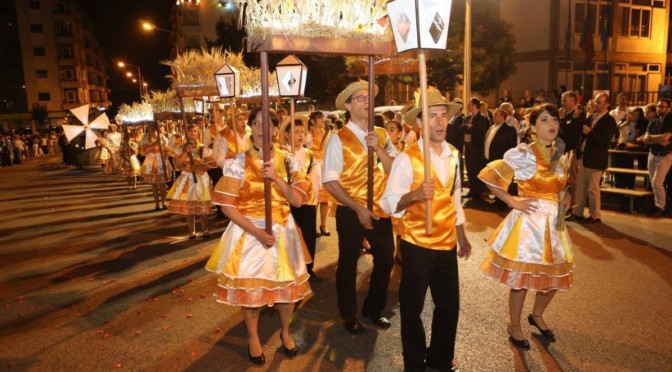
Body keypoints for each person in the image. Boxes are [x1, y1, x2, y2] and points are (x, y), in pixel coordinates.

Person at [206, 107, 312, 366]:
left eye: (269, 123)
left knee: (287, 292)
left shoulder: (289, 161)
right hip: (250, 232)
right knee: (251, 293)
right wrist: (257, 232)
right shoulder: (237, 162)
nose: (263, 128)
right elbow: (227, 206)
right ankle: (253, 337)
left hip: (284, 230)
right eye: (257, 122)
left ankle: (286, 332)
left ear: (277, 128)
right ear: (251, 126)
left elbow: (297, 201)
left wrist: (276, 178)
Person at [381, 90, 471, 372]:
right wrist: (414, 195)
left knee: (448, 308)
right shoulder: (408, 159)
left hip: (445, 243)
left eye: (443, 115)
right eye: (432, 116)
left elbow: (455, 198)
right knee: (412, 309)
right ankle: (414, 362)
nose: (440, 122)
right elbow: (388, 203)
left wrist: (462, 236)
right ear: (419, 123)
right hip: (416, 243)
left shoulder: (454, 155)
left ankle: (440, 359)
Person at [478, 103, 574, 350]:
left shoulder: (559, 155)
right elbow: (490, 177)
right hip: (530, 226)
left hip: (555, 225)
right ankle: (514, 324)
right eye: (544, 120)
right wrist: (512, 201)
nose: (551, 124)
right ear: (532, 127)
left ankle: (537, 315)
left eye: (554, 119)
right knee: (521, 279)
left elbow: (562, 187)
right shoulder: (523, 154)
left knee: (553, 278)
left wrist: (566, 200)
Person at [323, 80, 396, 334]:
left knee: (386, 258)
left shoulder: (383, 135)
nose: (366, 102)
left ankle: (373, 309)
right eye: (359, 98)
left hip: (379, 208)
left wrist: (379, 149)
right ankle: (348, 315)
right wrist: (358, 209)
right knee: (348, 264)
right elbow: (330, 182)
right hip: (351, 209)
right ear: (347, 105)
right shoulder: (337, 139)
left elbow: (394, 170)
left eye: (368, 97)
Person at [567, 92, 618, 224]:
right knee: (580, 186)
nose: (596, 104)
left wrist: (589, 133)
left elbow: (603, 141)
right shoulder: (591, 117)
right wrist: (577, 115)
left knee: (593, 188)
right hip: (584, 156)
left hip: (596, 158)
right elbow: (578, 128)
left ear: (607, 105)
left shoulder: (610, 120)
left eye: (599, 102)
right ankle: (577, 212)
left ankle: (595, 215)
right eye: (595, 101)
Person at [282, 117, 322, 281]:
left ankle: (308, 268)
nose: (300, 136)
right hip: (287, 201)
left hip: (307, 202)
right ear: (286, 134)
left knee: (308, 235)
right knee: (289, 236)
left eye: (302, 133)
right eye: (296, 132)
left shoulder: (309, 154)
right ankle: (289, 269)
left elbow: (315, 177)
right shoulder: (281, 153)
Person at [167, 124, 216, 238]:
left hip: (202, 179)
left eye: (194, 131)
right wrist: (185, 152)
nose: (192, 133)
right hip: (187, 179)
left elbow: (213, 164)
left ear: (198, 133)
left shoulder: (204, 148)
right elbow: (178, 166)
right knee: (189, 206)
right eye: (189, 131)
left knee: (203, 204)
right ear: (186, 134)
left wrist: (199, 168)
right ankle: (192, 231)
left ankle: (205, 229)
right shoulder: (181, 149)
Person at [639, 98, 672, 217]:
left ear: (669, 108)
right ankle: (656, 205)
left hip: (664, 156)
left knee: (657, 182)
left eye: (662, 106)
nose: (659, 109)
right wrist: (658, 139)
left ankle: (660, 206)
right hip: (652, 155)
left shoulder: (670, 121)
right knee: (654, 183)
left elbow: (666, 137)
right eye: (658, 106)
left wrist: (653, 139)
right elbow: (646, 139)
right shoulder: (653, 122)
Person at [484, 108, 519, 208]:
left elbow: (512, 147)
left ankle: (502, 202)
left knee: (501, 182)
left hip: (502, 161)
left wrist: (507, 161)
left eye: (496, 115)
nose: (493, 116)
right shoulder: (491, 128)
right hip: (490, 160)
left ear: (502, 117)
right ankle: (497, 199)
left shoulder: (509, 129)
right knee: (494, 181)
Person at [305, 111, 332, 238]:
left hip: (325, 166)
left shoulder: (328, 134)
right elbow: (308, 149)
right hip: (314, 167)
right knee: (314, 198)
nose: (323, 120)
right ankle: (313, 226)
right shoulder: (308, 134)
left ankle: (323, 225)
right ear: (312, 121)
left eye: (323, 118)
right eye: (320, 118)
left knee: (325, 199)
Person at [140, 124, 172, 211]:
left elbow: (167, 149)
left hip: (161, 160)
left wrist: (165, 158)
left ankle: (164, 202)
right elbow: (143, 152)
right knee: (154, 184)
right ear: (149, 129)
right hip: (150, 161)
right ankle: (157, 203)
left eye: (155, 128)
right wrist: (154, 144)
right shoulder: (145, 138)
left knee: (162, 183)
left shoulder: (162, 137)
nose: (153, 130)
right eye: (151, 128)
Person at [463, 97, 490, 199]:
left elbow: (478, 132)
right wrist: (467, 127)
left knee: (477, 169)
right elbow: (461, 128)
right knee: (469, 169)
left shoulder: (482, 118)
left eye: (469, 104)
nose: (468, 106)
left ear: (474, 105)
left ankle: (477, 191)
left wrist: (467, 128)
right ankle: (471, 189)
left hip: (477, 148)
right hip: (468, 146)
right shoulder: (467, 118)